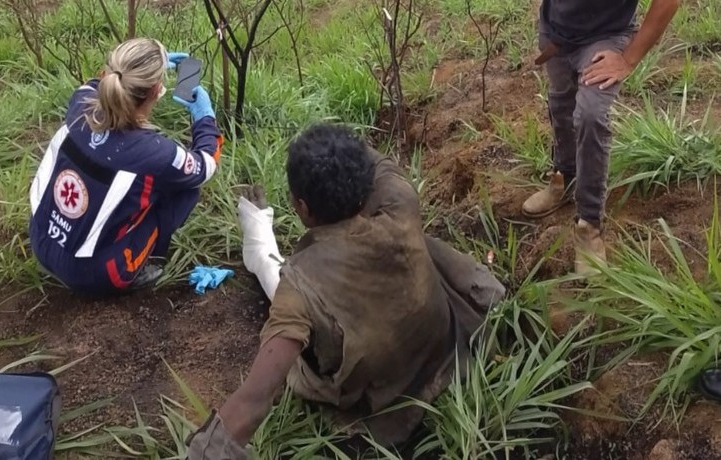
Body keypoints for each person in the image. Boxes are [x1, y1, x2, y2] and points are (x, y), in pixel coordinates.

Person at [186, 124, 506, 459]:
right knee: (425, 248)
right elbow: (369, 158)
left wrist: (203, 452)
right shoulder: (398, 199)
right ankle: (261, 250)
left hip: (379, 398)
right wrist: (331, 148)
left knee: (296, 306)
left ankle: (261, 250)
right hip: (444, 346)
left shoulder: (299, 285)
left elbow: (254, 400)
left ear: (302, 207)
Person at [29, 38, 222, 295]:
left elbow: (95, 84)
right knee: (186, 189)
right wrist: (204, 116)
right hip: (93, 275)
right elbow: (205, 166)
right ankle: (141, 265)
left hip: (41, 239)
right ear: (156, 90)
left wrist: (138, 65)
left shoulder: (81, 102)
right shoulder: (154, 152)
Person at [524, 0, 680, 275]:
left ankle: (589, 226)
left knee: (590, 115)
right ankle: (564, 179)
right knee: (561, 104)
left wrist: (628, 59)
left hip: (604, 37)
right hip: (556, 33)